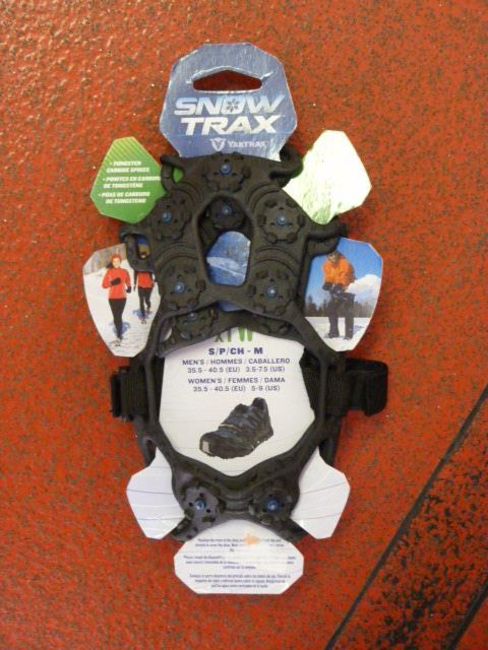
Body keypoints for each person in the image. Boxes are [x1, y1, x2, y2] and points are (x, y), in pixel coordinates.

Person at [322, 251, 356, 339]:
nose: (332, 257)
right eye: (329, 255)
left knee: (348, 311)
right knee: (331, 309)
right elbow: (329, 276)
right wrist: (328, 282)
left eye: (333, 255)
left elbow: (345, 275)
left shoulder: (344, 262)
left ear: (337, 254)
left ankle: (349, 335)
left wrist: (340, 284)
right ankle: (334, 332)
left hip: (348, 288)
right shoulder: (327, 265)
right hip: (337, 290)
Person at [102, 254, 132, 342]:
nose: (116, 263)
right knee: (116, 317)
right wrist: (112, 283)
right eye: (114, 261)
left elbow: (128, 280)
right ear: (112, 262)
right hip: (112, 298)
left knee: (118, 316)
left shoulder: (124, 271)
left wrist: (129, 287)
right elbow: (104, 285)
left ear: (120, 262)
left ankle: (119, 335)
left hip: (122, 297)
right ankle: (119, 333)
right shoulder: (109, 272)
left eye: (117, 261)